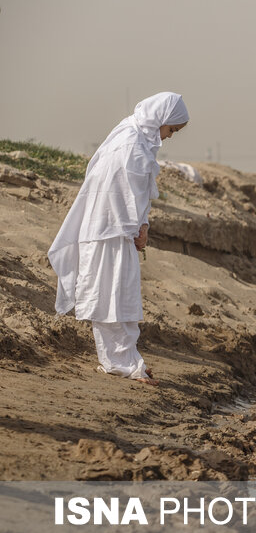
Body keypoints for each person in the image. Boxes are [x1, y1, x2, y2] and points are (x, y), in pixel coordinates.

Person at [48, 92, 189, 386]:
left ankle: (127, 359)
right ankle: (120, 363)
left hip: (116, 231)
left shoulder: (133, 138)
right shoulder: (131, 145)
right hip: (107, 233)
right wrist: (137, 227)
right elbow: (121, 194)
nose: (170, 136)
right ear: (161, 120)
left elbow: (133, 194)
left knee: (121, 297)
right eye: (171, 129)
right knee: (109, 298)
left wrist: (141, 225)